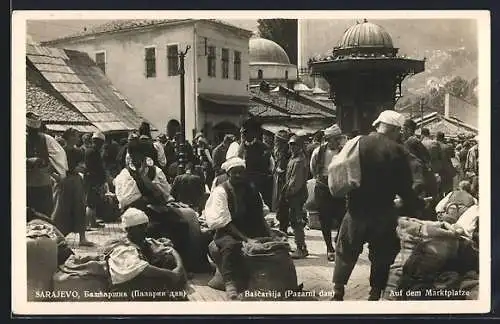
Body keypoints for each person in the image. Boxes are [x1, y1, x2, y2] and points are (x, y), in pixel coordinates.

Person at [332, 110, 425, 301]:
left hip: (356, 209)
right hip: (383, 212)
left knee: (346, 249)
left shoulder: (357, 143)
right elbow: (405, 187)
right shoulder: (398, 151)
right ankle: (375, 293)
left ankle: (337, 290)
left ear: (378, 125)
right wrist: (414, 204)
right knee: (382, 253)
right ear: (395, 129)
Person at [113, 138, 198, 272]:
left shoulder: (155, 171)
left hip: (156, 209)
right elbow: (127, 202)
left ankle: (184, 265)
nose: (135, 159)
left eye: (139, 155)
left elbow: (163, 195)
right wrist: (149, 199)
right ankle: (154, 264)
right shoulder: (125, 175)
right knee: (151, 228)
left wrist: (147, 181)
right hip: (135, 212)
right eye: (133, 155)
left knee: (181, 224)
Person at [203, 157, 272, 299]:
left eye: (241, 172)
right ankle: (230, 282)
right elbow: (224, 222)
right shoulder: (221, 192)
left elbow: (260, 214)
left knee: (272, 246)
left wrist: (270, 233)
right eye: (235, 173)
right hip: (227, 230)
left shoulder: (251, 189)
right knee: (231, 246)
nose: (239, 176)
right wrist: (247, 239)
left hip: (249, 228)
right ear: (228, 174)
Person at [105, 208, 187, 300]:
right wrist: (171, 274)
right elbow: (143, 269)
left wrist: (179, 268)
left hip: (144, 289)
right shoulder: (121, 249)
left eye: (145, 226)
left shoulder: (147, 242)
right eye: (140, 227)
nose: (144, 230)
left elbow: (171, 250)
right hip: (126, 293)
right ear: (129, 230)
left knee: (169, 260)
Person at [310, 124, 346, 262]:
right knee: (325, 219)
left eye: (339, 139)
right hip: (323, 187)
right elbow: (313, 169)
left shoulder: (343, 152)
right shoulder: (319, 152)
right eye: (335, 139)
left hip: (339, 187)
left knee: (342, 217)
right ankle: (329, 248)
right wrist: (322, 179)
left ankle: (338, 241)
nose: (338, 142)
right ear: (328, 139)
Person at [52, 128, 93, 246]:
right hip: (64, 181)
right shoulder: (61, 151)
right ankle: (58, 237)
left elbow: (82, 165)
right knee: (61, 209)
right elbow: (57, 166)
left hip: (75, 180)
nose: (78, 138)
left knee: (80, 207)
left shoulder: (79, 151)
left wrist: (81, 168)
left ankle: (82, 238)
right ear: (69, 137)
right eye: (75, 136)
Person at [26, 112, 68, 216]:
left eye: (35, 130)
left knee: (45, 215)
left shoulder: (47, 139)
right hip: (26, 184)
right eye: (31, 130)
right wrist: (28, 160)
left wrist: (51, 167)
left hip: (43, 184)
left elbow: (60, 155)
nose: (33, 133)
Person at [237, 118, 274, 207]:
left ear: (253, 133)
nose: (244, 135)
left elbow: (271, 165)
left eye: (246, 132)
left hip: (260, 181)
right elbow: (237, 159)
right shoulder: (240, 146)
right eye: (243, 133)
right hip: (245, 181)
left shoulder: (263, 147)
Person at [283, 135, 309, 259]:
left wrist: (288, 194)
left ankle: (300, 248)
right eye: (291, 145)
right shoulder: (294, 158)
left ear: (300, 147)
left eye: (295, 145)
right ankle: (301, 246)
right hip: (294, 194)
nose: (292, 147)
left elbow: (295, 182)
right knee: (295, 220)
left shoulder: (299, 161)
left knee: (296, 221)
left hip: (296, 194)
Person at [84, 131, 108, 229]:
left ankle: (92, 222)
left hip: (92, 179)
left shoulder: (91, 151)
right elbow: (96, 168)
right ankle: (87, 224)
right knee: (91, 202)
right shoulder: (93, 152)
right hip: (93, 180)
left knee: (93, 202)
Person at [272, 130, 291, 231]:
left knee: (283, 204)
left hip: (285, 181)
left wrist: (280, 170)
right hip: (280, 180)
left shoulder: (285, 153)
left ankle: (283, 227)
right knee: (280, 203)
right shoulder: (279, 152)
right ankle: (282, 225)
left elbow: (284, 168)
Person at [436, 131, 457, 197]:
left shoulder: (434, 146)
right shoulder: (448, 147)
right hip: (448, 171)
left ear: (437, 137)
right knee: (449, 191)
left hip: (438, 171)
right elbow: (453, 156)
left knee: (438, 190)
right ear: (443, 137)